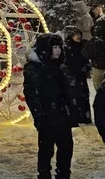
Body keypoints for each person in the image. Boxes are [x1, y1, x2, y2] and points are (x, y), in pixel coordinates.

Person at [24, 33, 74, 179]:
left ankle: (63, 174)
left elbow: (66, 91)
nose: (58, 50)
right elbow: (31, 94)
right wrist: (39, 115)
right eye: (55, 47)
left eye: (59, 47)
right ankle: (44, 174)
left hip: (62, 114)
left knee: (66, 147)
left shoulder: (59, 65)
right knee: (46, 149)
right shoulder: (34, 67)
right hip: (46, 114)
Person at [63, 26, 92, 125]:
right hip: (71, 77)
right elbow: (66, 63)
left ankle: (84, 117)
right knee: (73, 97)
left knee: (83, 96)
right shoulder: (66, 48)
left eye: (79, 34)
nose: (78, 36)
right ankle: (75, 118)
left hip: (81, 76)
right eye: (76, 34)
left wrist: (86, 67)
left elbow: (87, 60)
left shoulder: (82, 46)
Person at [83, 19, 105, 88]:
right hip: (98, 67)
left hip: (97, 67)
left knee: (99, 90)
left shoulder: (94, 40)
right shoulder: (95, 40)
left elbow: (86, 53)